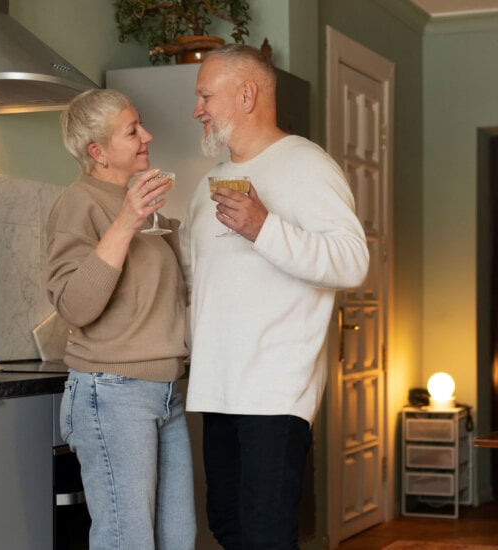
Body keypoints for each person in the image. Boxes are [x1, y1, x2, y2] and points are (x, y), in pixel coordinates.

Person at [180, 44, 370, 549]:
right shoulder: (207, 185)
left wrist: (265, 227)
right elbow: (195, 283)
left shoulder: (307, 165)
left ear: (247, 94)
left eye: (205, 96)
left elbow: (352, 261)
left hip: (273, 391)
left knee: (265, 535)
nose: (196, 109)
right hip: (215, 390)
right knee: (226, 524)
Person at [45, 89, 195, 550]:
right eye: (133, 130)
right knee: (126, 541)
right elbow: (74, 305)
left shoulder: (140, 206)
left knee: (177, 539)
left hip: (165, 391)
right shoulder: (81, 204)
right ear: (98, 151)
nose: (147, 135)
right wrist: (127, 221)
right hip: (112, 394)